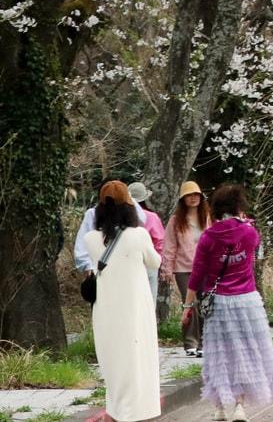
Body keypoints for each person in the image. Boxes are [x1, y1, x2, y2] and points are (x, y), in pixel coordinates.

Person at [185, 184, 273, 420]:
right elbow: (253, 243)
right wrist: (244, 221)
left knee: (219, 354)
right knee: (246, 353)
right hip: (248, 301)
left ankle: (220, 407)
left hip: (219, 303)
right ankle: (239, 405)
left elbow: (197, 274)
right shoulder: (249, 233)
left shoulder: (208, 237)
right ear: (239, 206)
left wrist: (187, 306)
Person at [84, 181, 161, 422]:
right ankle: (133, 412)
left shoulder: (90, 238)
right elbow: (155, 262)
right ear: (130, 206)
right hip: (135, 309)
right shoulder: (139, 235)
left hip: (106, 310)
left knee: (113, 363)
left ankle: (116, 411)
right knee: (137, 361)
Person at [161, 180, 209, 358]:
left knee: (205, 303)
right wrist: (167, 269)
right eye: (189, 195)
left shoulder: (207, 217)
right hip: (183, 268)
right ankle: (190, 341)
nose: (193, 198)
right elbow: (169, 246)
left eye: (196, 195)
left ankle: (205, 340)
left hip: (205, 267)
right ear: (183, 199)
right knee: (189, 303)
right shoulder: (176, 220)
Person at [76, 178, 148, 273]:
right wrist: (89, 267)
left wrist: (89, 267)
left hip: (115, 269)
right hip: (108, 270)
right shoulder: (93, 214)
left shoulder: (126, 214)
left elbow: (81, 244)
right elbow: (142, 220)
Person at [127, 182, 165, 306]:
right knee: (149, 303)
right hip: (149, 262)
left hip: (128, 263)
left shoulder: (122, 217)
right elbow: (160, 241)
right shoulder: (152, 217)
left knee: (132, 302)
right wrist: (158, 261)